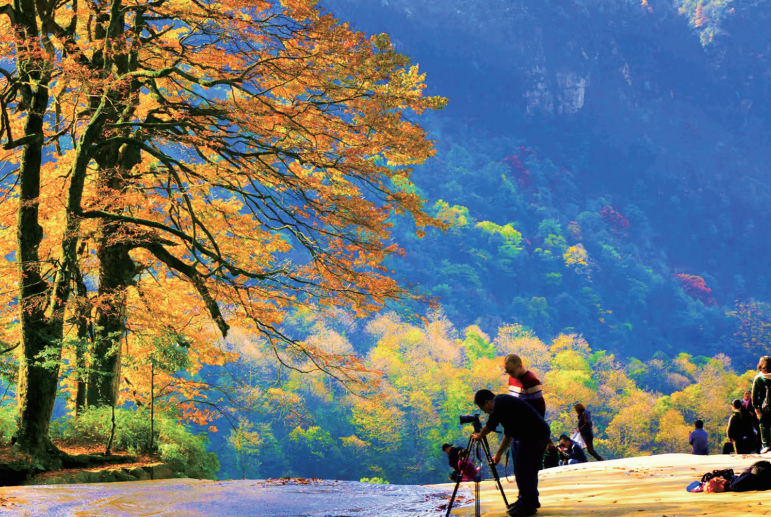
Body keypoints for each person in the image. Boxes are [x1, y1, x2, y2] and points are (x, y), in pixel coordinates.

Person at [471, 389, 550, 517]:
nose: (485, 412)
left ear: (486, 402)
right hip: (536, 435)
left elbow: (491, 425)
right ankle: (529, 501)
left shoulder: (499, 403)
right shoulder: (505, 406)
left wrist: (480, 435)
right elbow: (508, 434)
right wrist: (498, 455)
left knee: (524, 470)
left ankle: (527, 506)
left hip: (534, 437)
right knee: (525, 470)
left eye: (482, 408)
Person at [503, 354, 546, 482]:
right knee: (518, 467)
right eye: (507, 372)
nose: (510, 374)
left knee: (527, 469)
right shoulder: (512, 379)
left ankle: (529, 494)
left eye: (511, 371)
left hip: (528, 433)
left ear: (520, 366)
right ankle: (522, 493)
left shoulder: (530, 381)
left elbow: (540, 409)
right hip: (516, 431)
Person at [752, 356, 771, 454]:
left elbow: (754, 394)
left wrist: (756, 407)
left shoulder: (759, 378)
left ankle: (766, 445)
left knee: (763, 425)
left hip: (763, 406)